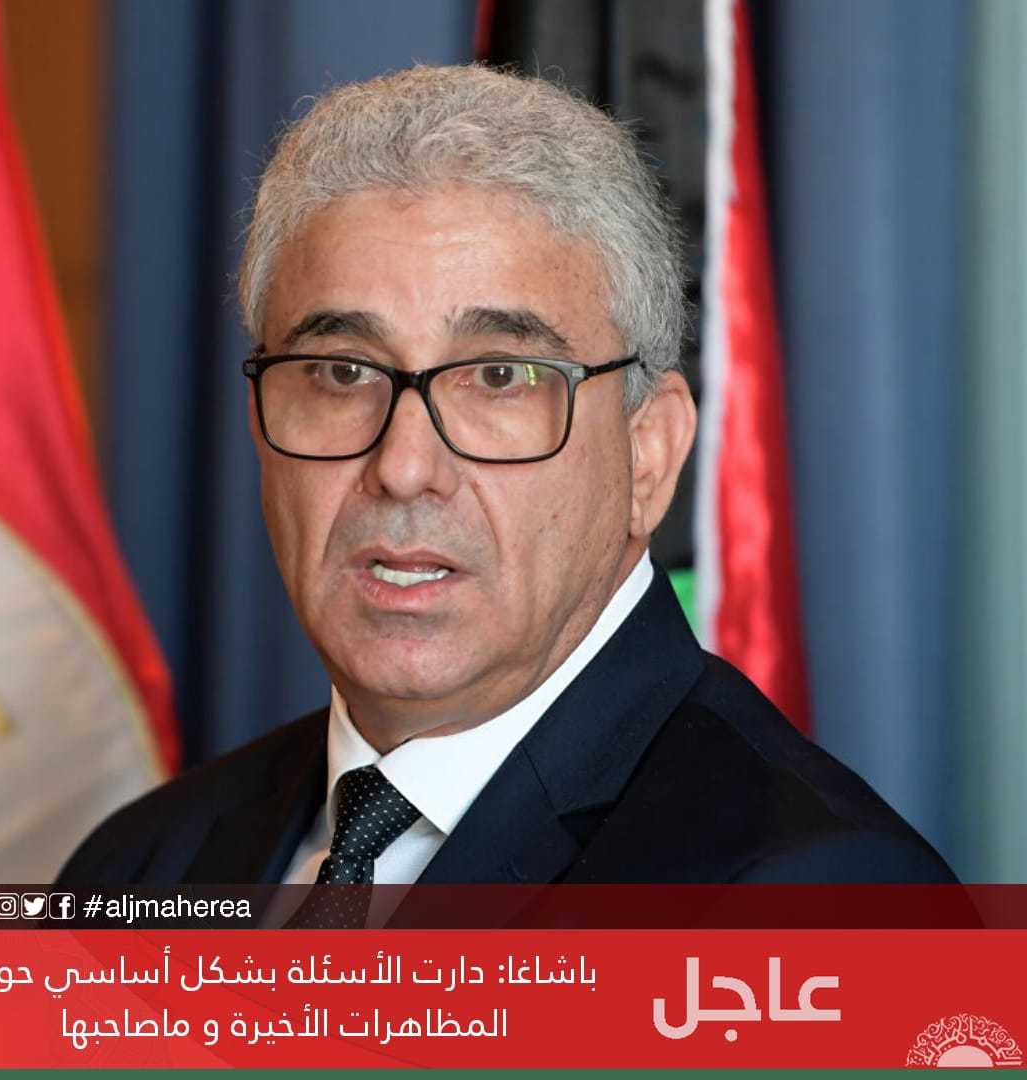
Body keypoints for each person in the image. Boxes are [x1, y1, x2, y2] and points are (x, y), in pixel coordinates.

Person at [59, 64, 955, 894]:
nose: (404, 468)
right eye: (341, 372)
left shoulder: (829, 901)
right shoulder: (138, 868)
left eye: (499, 376)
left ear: (649, 453)